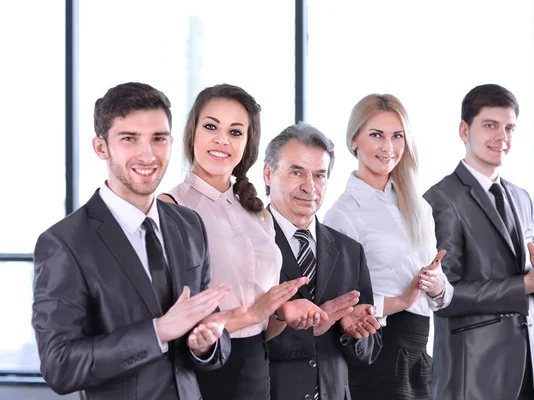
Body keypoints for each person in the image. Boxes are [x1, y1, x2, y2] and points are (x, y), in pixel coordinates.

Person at [32, 82, 236, 400]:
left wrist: (207, 344)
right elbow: (60, 365)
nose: (148, 154)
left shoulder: (189, 225)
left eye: (159, 139)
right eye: (129, 139)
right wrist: (157, 333)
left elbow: (209, 326)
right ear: (101, 147)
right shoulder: (64, 244)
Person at [423, 83, 534, 400]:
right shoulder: (441, 200)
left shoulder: (521, 198)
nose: (502, 137)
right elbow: (444, 297)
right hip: (472, 375)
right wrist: (525, 284)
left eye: (509, 128)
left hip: (525, 368)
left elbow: (528, 280)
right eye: (490, 126)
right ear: (463, 130)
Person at [159, 84, 313, 400]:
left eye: (235, 132)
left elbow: (265, 322)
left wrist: (282, 312)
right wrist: (252, 315)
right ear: (193, 133)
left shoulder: (259, 215)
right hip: (199, 370)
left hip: (256, 367)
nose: (222, 140)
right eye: (211, 126)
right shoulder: (171, 208)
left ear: (248, 143)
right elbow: (169, 318)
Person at [323, 93, 454, 400]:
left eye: (397, 136)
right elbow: (340, 304)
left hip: (419, 352)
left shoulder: (418, 206)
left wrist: (435, 286)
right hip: (377, 350)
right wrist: (399, 300)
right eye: (376, 135)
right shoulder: (342, 215)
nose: (388, 147)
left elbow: (444, 297)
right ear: (354, 140)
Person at [263, 122, 383, 400]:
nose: (310, 187)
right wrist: (312, 326)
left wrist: (353, 331)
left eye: (319, 175)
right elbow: (238, 342)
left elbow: (370, 351)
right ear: (269, 174)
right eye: (297, 172)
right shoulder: (247, 242)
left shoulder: (350, 251)